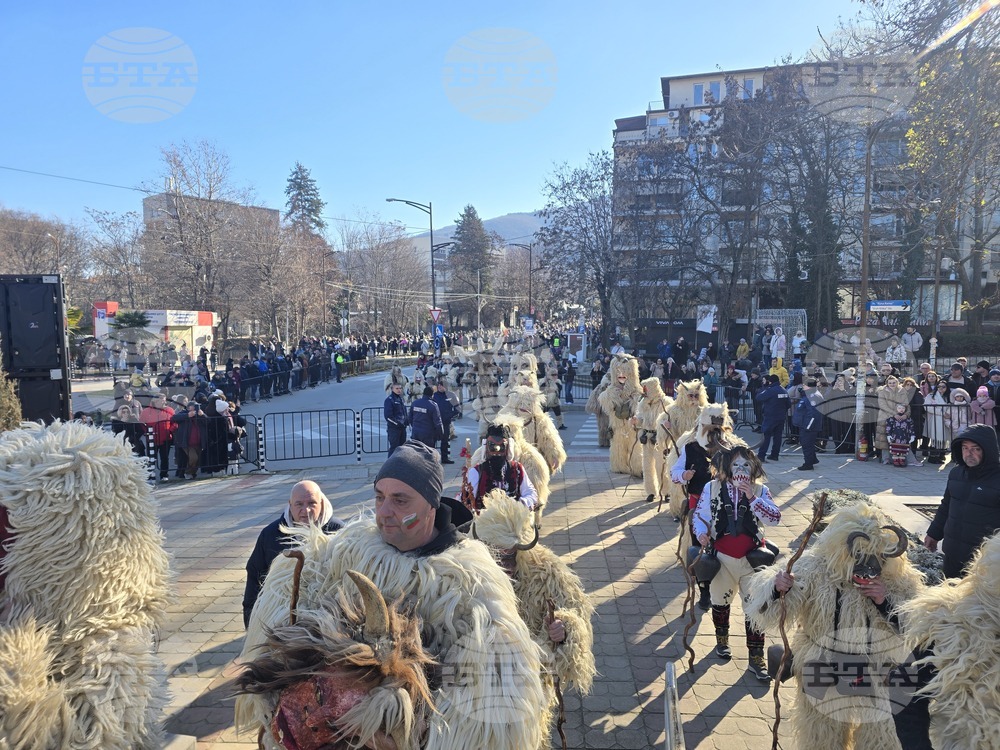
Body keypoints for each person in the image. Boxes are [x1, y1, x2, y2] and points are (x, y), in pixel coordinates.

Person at [236, 441, 545, 750]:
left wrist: (403, 734)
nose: (383, 512)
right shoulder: (351, 549)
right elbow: (295, 607)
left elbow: (491, 703)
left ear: (431, 504)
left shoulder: (470, 582)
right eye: (380, 496)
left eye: (400, 500)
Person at [692, 445, 781, 681]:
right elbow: (700, 516)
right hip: (721, 558)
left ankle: (756, 657)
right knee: (720, 602)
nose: (741, 469)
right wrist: (701, 533)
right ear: (726, 468)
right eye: (736, 465)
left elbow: (774, 518)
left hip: (752, 560)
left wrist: (751, 497)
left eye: (746, 465)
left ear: (754, 469)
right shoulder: (711, 488)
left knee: (755, 609)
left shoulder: (761, 491)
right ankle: (722, 641)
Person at [242, 480, 344, 627]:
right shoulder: (271, 535)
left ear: (321, 503)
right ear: (290, 505)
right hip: (280, 614)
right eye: (299, 504)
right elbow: (255, 576)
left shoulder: (338, 532)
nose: (306, 510)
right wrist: (250, 618)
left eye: (312, 503)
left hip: (326, 617)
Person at [924, 424, 1000, 578]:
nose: (969, 453)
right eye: (965, 448)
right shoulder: (956, 474)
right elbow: (946, 506)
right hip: (952, 554)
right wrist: (933, 533)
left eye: (975, 449)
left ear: (988, 450)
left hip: (984, 563)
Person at [461, 423, 539, 511]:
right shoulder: (476, 472)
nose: (497, 452)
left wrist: (519, 504)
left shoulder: (517, 469)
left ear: (508, 448)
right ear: (486, 448)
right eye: (492, 447)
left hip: (512, 520)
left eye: (501, 447)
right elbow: (465, 500)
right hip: (485, 521)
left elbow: (531, 494)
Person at [140, 392, 175, 481]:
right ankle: (150, 474)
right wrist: (147, 432)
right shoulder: (146, 411)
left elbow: (174, 422)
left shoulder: (170, 410)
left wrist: (170, 430)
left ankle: (164, 475)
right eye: (161, 400)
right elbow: (141, 423)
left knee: (164, 458)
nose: (163, 402)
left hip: (165, 438)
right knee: (151, 458)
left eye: (164, 400)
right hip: (152, 439)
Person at [755, 374, 789, 463]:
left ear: (770, 382)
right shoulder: (784, 390)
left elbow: (758, 397)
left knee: (766, 436)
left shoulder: (770, 390)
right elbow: (788, 404)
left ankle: (761, 455)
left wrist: (764, 387)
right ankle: (775, 455)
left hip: (770, 417)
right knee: (778, 437)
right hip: (781, 417)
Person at [793, 378, 824, 470]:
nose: (803, 386)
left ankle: (808, 464)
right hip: (805, 424)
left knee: (807, 444)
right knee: (808, 444)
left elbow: (813, 413)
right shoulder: (809, 395)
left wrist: (808, 426)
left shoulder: (812, 396)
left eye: (804, 385)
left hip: (808, 426)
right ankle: (812, 459)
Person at [431, 378, 458, 464]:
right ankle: (432, 459)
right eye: (438, 385)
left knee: (445, 441)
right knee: (432, 441)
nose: (439, 387)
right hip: (435, 423)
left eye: (441, 385)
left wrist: (450, 415)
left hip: (446, 423)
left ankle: (445, 458)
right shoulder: (434, 395)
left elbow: (458, 408)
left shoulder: (451, 395)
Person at [409, 385, 443, 449]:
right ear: (432, 395)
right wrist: (440, 435)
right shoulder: (433, 405)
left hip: (416, 433)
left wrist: (414, 427)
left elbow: (410, 418)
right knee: (428, 453)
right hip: (428, 434)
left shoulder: (415, 403)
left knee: (416, 451)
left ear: (423, 394)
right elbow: (438, 422)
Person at [383, 382, 408, 456]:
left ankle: (399, 465)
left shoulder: (401, 399)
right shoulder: (389, 400)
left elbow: (403, 412)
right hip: (394, 429)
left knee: (402, 448)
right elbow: (388, 416)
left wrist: (406, 421)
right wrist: (397, 423)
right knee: (394, 448)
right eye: (397, 388)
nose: (399, 390)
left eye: (400, 388)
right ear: (392, 389)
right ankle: (390, 466)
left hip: (402, 428)